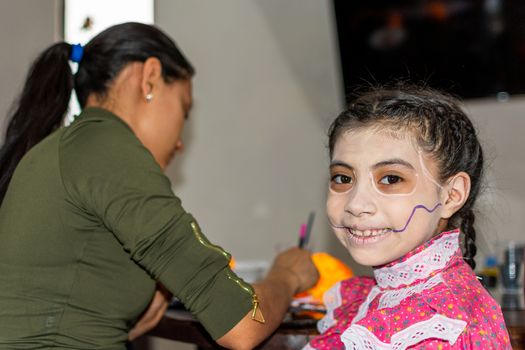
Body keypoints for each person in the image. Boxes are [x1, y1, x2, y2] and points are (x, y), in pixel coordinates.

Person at [0, 22, 319, 350]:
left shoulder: (65, 148)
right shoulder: (109, 149)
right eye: (183, 109)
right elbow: (242, 325)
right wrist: (286, 275)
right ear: (150, 78)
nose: (180, 143)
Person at [304, 85, 512, 349]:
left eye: (391, 179)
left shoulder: (443, 325)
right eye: (343, 178)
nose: (356, 204)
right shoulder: (370, 299)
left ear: (451, 195)